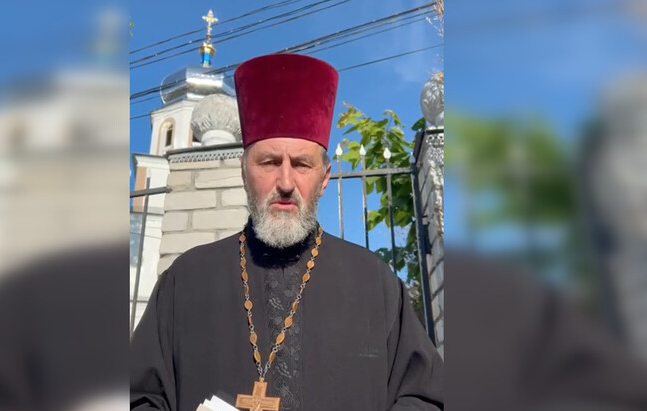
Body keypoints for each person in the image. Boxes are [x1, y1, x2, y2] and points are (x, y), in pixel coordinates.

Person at [130, 54, 444, 411]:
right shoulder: (185, 280)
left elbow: (424, 397)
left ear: (324, 178)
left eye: (301, 164)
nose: (285, 182)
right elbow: (139, 397)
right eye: (268, 162)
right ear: (244, 171)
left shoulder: (374, 282)